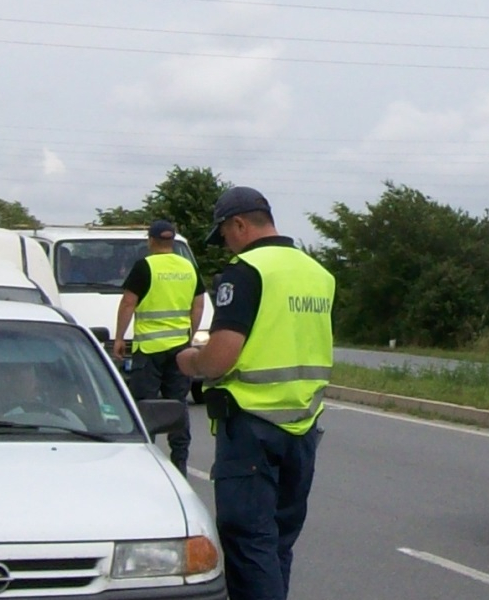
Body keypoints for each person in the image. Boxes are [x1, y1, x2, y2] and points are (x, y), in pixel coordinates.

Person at [176, 186, 335, 600]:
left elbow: (221, 357)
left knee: (248, 543)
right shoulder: (318, 274)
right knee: (277, 542)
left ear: (240, 224)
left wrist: (190, 361)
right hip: (303, 427)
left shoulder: (246, 271)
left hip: (251, 427)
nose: (226, 244)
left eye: (225, 235)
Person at [113, 219, 205, 477]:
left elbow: (128, 303)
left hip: (149, 349)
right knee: (177, 405)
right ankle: (180, 463)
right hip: (179, 348)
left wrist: (120, 337)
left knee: (146, 405)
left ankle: (146, 463)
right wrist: (190, 333)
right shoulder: (188, 267)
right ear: (173, 241)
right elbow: (198, 305)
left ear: (151, 241)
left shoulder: (145, 266)